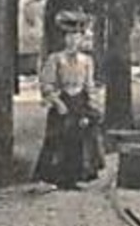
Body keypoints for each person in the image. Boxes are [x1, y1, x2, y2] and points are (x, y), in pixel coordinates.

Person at [32, 11, 105, 190]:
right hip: (63, 100)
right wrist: (57, 102)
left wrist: (93, 106)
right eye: (69, 36)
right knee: (59, 138)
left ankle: (75, 177)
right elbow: (47, 84)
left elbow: (89, 86)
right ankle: (56, 178)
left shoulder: (87, 61)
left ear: (82, 39)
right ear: (65, 38)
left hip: (79, 102)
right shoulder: (56, 59)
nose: (73, 41)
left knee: (79, 139)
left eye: (77, 37)